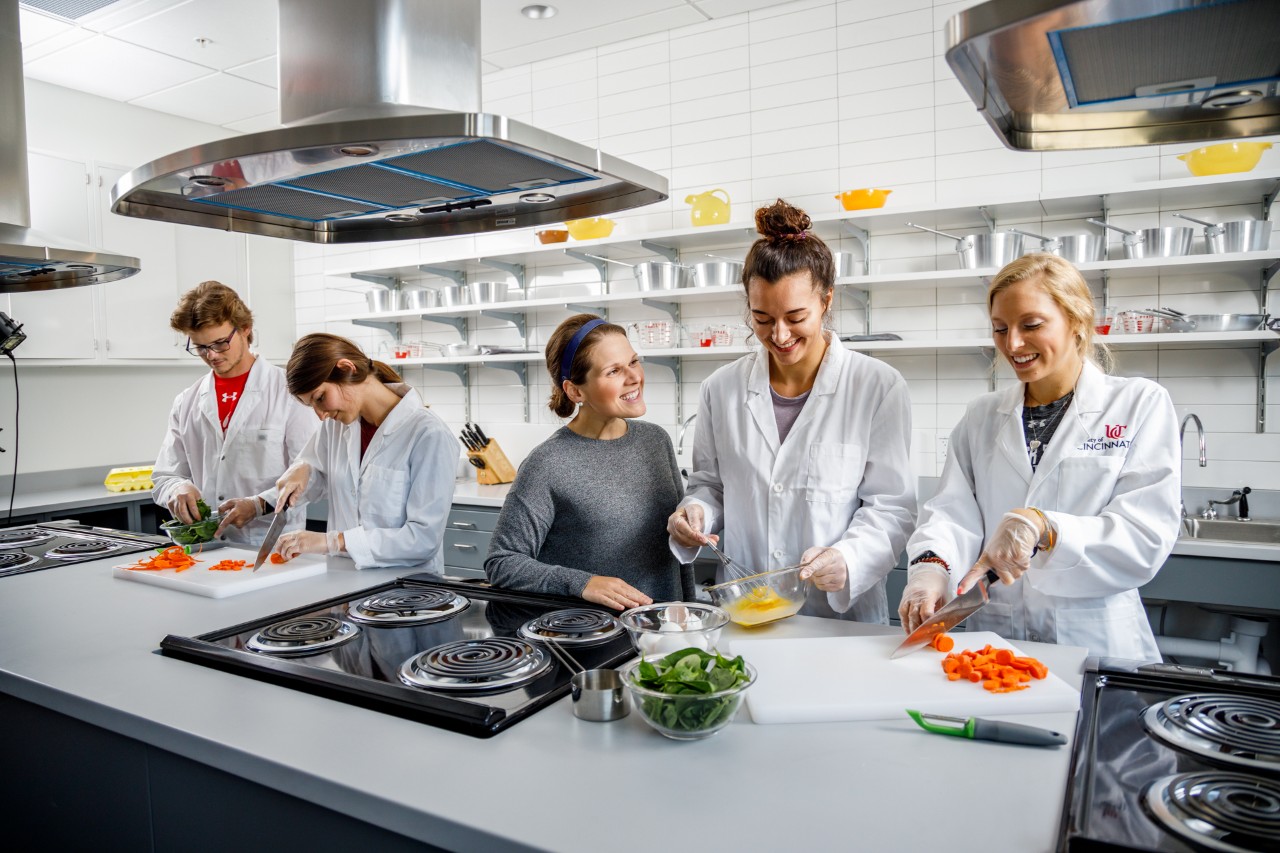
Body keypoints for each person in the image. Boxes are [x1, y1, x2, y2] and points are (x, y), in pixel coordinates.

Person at [898, 253, 1180, 660]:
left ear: (1077, 322)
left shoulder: (1139, 404)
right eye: (1000, 328)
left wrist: (1045, 527)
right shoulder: (982, 416)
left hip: (1093, 642)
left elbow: (1143, 539)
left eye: (1031, 325)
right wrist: (930, 568)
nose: (1012, 344)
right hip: (993, 641)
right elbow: (950, 515)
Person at [666, 200, 916, 622]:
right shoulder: (720, 390)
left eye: (795, 316)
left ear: (826, 301)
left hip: (840, 619)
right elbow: (711, 485)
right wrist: (694, 514)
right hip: (748, 609)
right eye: (761, 318)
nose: (778, 335)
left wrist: (848, 558)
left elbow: (891, 506)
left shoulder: (877, 386)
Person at [485, 314, 690, 609]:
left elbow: (675, 547)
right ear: (575, 390)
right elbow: (502, 563)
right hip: (593, 638)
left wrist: (690, 615)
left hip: (662, 632)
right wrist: (582, 583)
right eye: (614, 371)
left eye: (634, 361)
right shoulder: (548, 463)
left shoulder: (655, 441)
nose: (634, 377)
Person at [262, 333, 458, 570]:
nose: (320, 414)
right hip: (345, 587)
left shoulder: (428, 434)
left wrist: (332, 541)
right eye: (311, 405)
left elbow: (422, 539)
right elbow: (319, 477)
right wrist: (300, 469)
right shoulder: (335, 427)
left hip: (406, 592)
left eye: (320, 398)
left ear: (347, 368)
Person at [152, 281, 316, 546]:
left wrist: (258, 505)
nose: (212, 355)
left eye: (220, 343)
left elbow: (313, 473)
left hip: (270, 545)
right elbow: (165, 475)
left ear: (245, 329)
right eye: (200, 347)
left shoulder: (289, 392)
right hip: (205, 547)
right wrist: (177, 488)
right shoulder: (187, 401)